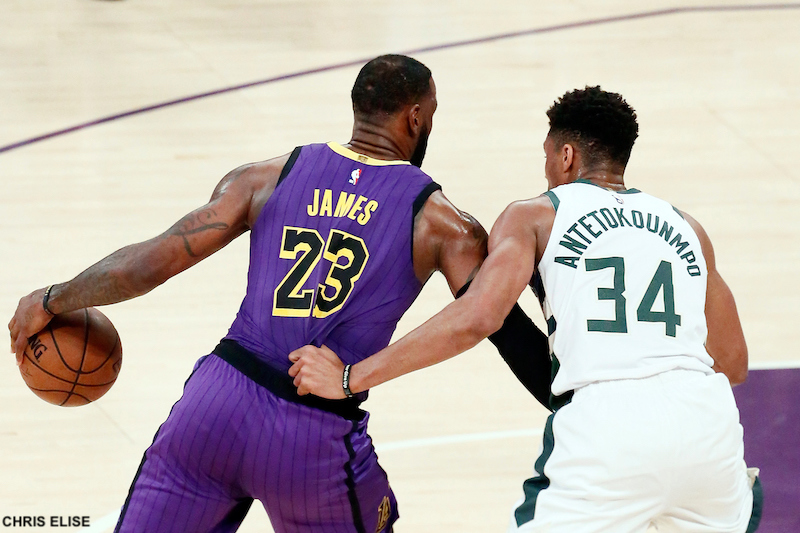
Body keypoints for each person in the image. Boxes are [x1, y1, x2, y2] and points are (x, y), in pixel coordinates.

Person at [8, 55, 549, 533]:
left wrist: (52, 298)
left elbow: (151, 263)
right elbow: (499, 325)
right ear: (415, 118)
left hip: (214, 407)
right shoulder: (443, 224)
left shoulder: (264, 177)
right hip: (311, 430)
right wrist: (566, 399)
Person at [288, 86, 763, 532]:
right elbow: (733, 362)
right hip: (708, 429)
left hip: (608, 427)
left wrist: (349, 378)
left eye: (546, 157)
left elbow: (478, 317)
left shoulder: (536, 214)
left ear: (566, 155)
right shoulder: (688, 227)